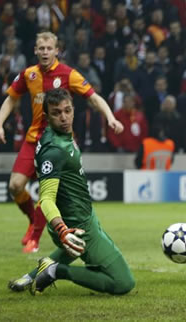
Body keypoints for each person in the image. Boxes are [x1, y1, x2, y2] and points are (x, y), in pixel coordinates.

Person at [0, 32, 123, 253]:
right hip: (34, 140)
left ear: (56, 50)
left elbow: (93, 97)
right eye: (40, 48)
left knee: (48, 192)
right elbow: (11, 98)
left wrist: (110, 117)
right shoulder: (28, 74)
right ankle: (34, 221)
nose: (44, 52)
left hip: (59, 143)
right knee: (15, 186)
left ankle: (34, 238)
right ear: (35, 50)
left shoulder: (68, 74)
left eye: (49, 48)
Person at [7, 88, 135, 295]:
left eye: (67, 110)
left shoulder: (62, 136)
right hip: (75, 226)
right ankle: (57, 271)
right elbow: (46, 199)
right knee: (123, 283)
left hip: (84, 216)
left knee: (79, 251)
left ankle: (29, 277)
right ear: (46, 117)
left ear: (74, 110)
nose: (64, 117)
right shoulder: (54, 150)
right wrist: (62, 230)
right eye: (57, 113)